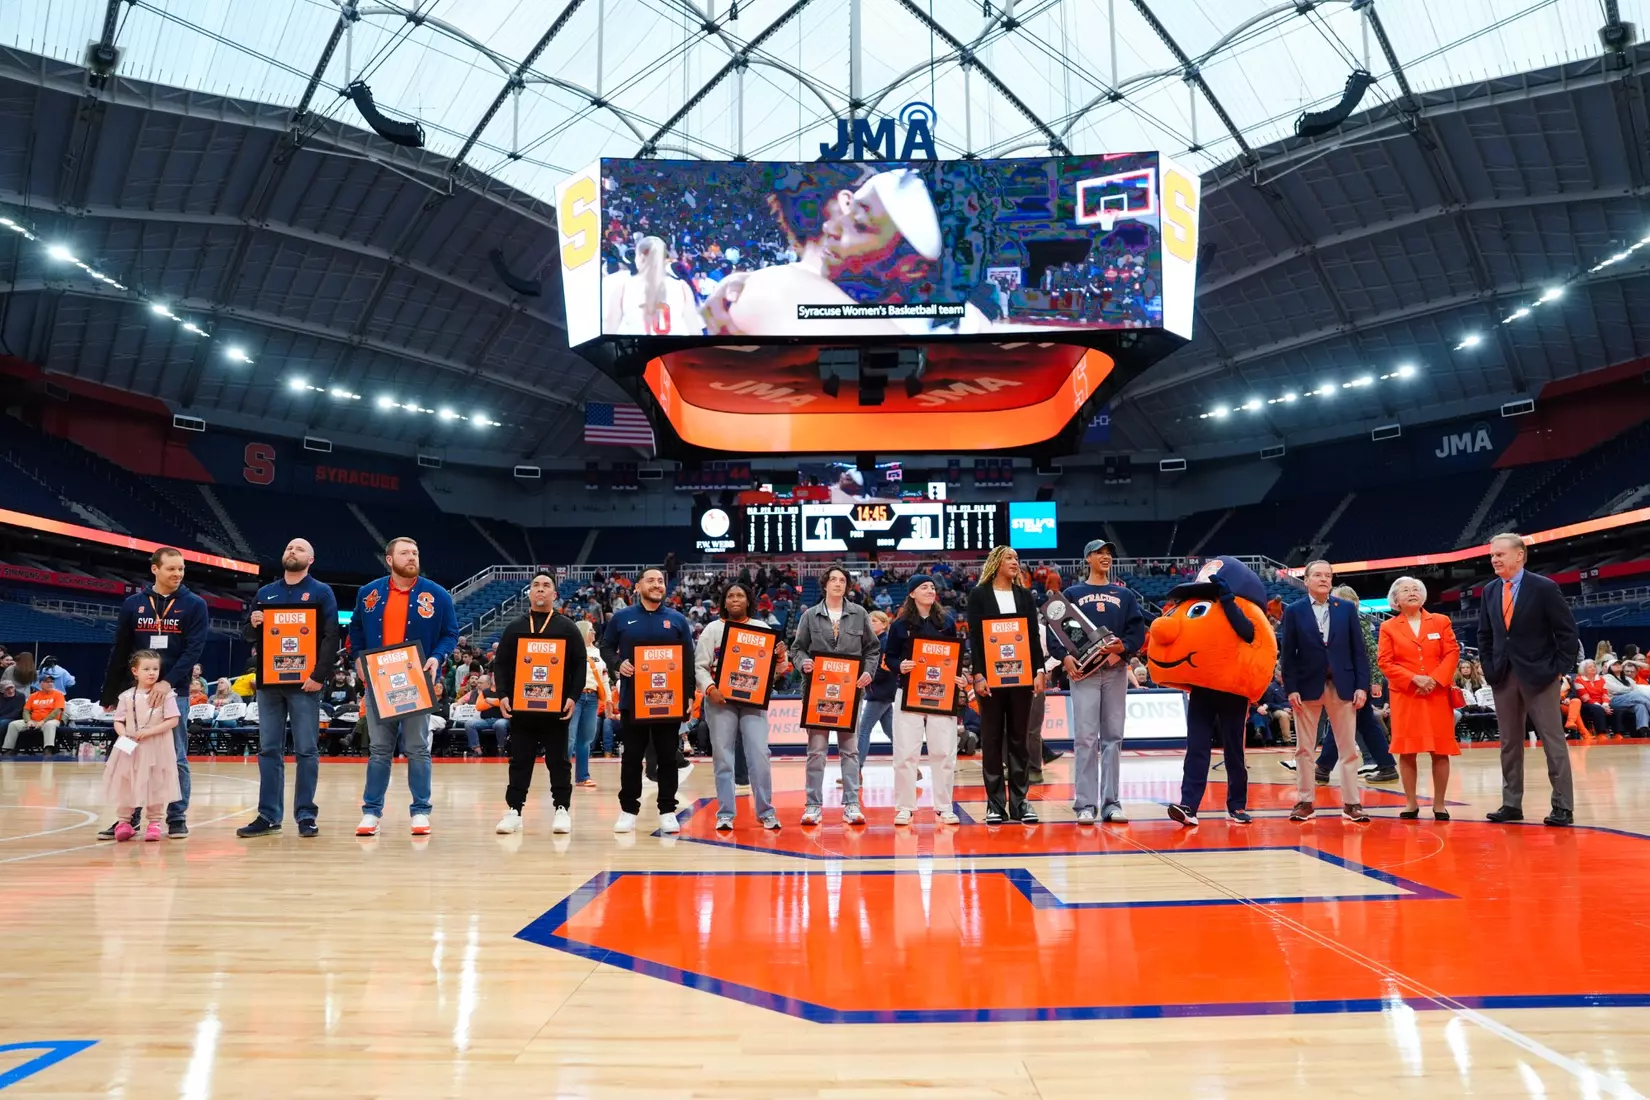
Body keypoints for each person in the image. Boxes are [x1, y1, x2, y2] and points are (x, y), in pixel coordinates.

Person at [1149, 557, 1277, 826]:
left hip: (1232, 689)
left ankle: (1237, 805)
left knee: (1234, 750)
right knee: (1196, 747)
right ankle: (1189, 805)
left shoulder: (1236, 607)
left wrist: (1228, 600)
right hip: (1202, 689)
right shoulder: (1194, 608)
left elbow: (1248, 633)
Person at [348, 537, 460, 838]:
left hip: (417, 680)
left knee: (418, 748)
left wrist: (437, 657)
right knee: (379, 749)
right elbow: (355, 628)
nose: (412, 557)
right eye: (405, 553)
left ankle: (421, 811)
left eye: (415, 553)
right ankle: (371, 812)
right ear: (389, 559)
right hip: (378, 681)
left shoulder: (437, 595)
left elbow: (451, 633)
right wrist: (357, 658)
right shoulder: (368, 593)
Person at [97, 547, 208, 840]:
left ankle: (176, 817)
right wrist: (110, 693)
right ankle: (128, 818)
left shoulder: (195, 604)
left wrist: (167, 682)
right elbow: (120, 649)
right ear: (155, 570)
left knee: (176, 755)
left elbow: (193, 650)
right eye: (171, 568)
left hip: (174, 691)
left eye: (182, 569)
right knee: (131, 752)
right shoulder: (134, 604)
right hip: (136, 694)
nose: (178, 574)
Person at [237, 538, 340, 839]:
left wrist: (319, 675)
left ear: (311, 559)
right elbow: (246, 635)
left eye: (299, 549)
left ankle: (306, 814)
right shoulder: (266, 593)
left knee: (307, 750)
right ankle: (268, 815)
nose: (291, 551)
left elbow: (331, 636)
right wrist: (254, 622)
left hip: (305, 683)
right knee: (269, 749)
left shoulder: (321, 592)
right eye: (288, 548)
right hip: (269, 684)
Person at [1477, 533, 1579, 826]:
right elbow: (1485, 635)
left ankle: (1563, 806)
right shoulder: (1490, 591)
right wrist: (1488, 664)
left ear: (1519, 555)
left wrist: (1559, 668)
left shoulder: (1544, 587)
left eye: (1500, 554)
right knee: (1509, 742)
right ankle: (1511, 804)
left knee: (1552, 740)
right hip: (1503, 675)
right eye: (1492, 555)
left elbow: (1567, 633)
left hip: (1540, 675)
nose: (1494, 559)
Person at [1048, 539, 1146, 825]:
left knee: (1114, 737)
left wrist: (1122, 649)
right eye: (1099, 553)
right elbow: (1057, 633)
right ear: (1087, 558)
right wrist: (1064, 659)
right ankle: (1085, 804)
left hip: (1115, 671)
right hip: (1085, 673)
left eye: (1109, 554)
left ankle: (1112, 802)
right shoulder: (1073, 593)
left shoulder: (1124, 595)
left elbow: (1136, 633)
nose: (1105, 557)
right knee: (1086, 738)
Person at [600, 567, 695, 835]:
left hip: (669, 700)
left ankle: (667, 810)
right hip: (634, 699)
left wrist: (689, 694)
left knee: (667, 757)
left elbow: (688, 659)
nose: (657, 584)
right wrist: (619, 664)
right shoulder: (622, 617)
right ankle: (628, 810)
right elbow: (605, 647)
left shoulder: (676, 619)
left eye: (661, 581)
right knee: (632, 757)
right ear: (638, 586)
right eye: (651, 580)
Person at [493, 571, 586, 836]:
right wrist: (502, 695)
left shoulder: (567, 627)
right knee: (519, 759)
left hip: (556, 708)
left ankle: (562, 809)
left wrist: (573, 696)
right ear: (530, 593)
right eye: (536, 585)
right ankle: (514, 811)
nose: (541, 589)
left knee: (558, 760)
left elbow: (580, 663)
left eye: (546, 585)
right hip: (522, 708)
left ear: (555, 594)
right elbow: (500, 663)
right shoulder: (515, 627)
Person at [1280, 561, 1372, 824]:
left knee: (1349, 749)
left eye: (1328, 576)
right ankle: (1305, 801)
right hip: (1307, 686)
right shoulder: (1295, 611)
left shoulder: (1345, 609)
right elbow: (1288, 655)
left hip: (1342, 685)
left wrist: (1361, 686)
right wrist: (1291, 688)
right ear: (1306, 580)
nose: (1324, 579)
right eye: (1318, 575)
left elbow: (1358, 652)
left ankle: (1352, 803)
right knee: (1304, 749)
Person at [791, 565, 880, 826]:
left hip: (850, 693)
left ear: (847, 586)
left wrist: (868, 673)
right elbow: (797, 649)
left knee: (850, 751)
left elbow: (873, 650)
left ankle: (852, 804)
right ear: (825, 584)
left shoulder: (860, 613)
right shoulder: (810, 615)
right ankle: (812, 805)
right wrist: (804, 663)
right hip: (817, 693)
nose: (838, 584)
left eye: (842, 580)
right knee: (816, 752)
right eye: (833, 579)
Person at [693, 581, 784, 831]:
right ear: (724, 601)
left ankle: (766, 811)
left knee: (759, 754)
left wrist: (780, 659)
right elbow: (699, 666)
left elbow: (772, 674)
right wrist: (710, 688)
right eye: (730, 596)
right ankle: (725, 813)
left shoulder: (761, 628)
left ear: (748, 601)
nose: (735, 599)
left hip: (752, 701)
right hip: (720, 700)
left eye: (740, 595)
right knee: (723, 757)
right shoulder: (712, 629)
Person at [966, 546, 1046, 824]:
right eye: (1010, 558)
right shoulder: (979, 595)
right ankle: (995, 803)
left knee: (1019, 739)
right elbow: (975, 639)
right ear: (996, 562)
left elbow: (1033, 636)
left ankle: (1021, 802)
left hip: (1022, 677)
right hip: (990, 678)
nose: (1015, 562)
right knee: (991, 738)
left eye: (1017, 558)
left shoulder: (1025, 595)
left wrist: (1039, 669)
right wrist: (978, 674)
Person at [883, 573, 968, 825]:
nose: (930, 590)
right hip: (908, 693)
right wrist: (902, 666)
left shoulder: (947, 621)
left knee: (943, 752)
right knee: (906, 753)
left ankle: (944, 806)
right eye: (924, 587)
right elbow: (890, 658)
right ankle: (905, 807)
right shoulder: (899, 625)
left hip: (941, 696)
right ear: (912, 594)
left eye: (932, 587)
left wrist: (958, 677)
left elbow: (954, 657)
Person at [1377, 577, 1461, 821]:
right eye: (1405, 590)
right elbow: (1385, 661)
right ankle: (1411, 802)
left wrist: (1434, 679)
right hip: (1406, 695)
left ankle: (1440, 804)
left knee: (1440, 750)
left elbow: (1452, 652)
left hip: (1436, 693)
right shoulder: (1388, 627)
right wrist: (1414, 679)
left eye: (1416, 589)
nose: (1411, 593)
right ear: (1396, 600)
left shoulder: (1441, 621)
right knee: (1407, 750)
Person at [1311, 585, 1400, 785]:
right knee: (1364, 724)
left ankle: (1323, 768)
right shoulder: (1341, 621)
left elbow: (1370, 652)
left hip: (1355, 681)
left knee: (1341, 723)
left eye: (1334, 599)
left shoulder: (1355, 622)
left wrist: (1374, 680)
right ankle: (1386, 766)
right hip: (1351, 680)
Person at [101, 650, 183, 843]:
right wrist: (124, 734)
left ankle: (154, 822)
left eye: (155, 669)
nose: (152, 673)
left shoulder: (167, 696)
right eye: (146, 669)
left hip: (156, 746)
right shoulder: (126, 697)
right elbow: (118, 720)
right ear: (135, 671)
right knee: (126, 782)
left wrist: (150, 732)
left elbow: (173, 720)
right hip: (130, 746)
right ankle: (124, 822)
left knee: (156, 784)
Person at [603, 235, 704, 336]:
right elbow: (694, 330)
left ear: (640, 257)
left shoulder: (623, 287)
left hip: (637, 349)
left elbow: (610, 330)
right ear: (665, 259)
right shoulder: (682, 287)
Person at [856, 609, 897, 768]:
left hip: (880, 692)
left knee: (864, 730)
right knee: (891, 732)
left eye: (875, 621)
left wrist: (866, 676)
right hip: (881, 691)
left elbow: (886, 669)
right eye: (869, 621)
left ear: (885, 624)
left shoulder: (885, 642)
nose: (871, 623)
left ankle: (856, 770)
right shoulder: (875, 641)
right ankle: (912, 768)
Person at [571, 620, 608, 789]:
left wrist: (607, 699)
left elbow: (604, 677)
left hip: (592, 697)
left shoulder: (599, 653)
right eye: (591, 630)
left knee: (586, 739)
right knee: (569, 738)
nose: (594, 633)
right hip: (575, 697)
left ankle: (582, 777)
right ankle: (560, 774)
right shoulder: (571, 650)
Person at [4, 671, 65, 754]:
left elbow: (57, 710)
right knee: (13, 724)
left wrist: (43, 721)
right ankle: (9, 749)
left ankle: (48, 749)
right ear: (41, 684)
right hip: (33, 720)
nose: (50, 684)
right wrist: (28, 721)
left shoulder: (58, 695)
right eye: (47, 682)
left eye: (51, 682)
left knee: (49, 725)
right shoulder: (33, 696)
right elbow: (26, 710)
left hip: (50, 720)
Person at [461, 674, 509, 756]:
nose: (478, 685)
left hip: (501, 719)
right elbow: (479, 706)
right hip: (486, 720)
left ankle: (502, 749)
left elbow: (507, 704)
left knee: (499, 724)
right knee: (469, 724)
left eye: (481, 683)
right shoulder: (484, 692)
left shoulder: (505, 691)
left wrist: (489, 701)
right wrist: (497, 702)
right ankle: (477, 750)